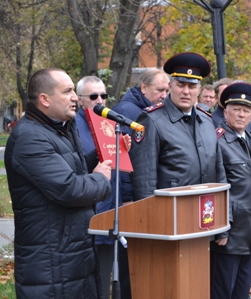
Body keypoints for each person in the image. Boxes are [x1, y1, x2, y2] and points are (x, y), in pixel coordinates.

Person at [4, 68, 113, 299]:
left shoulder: (59, 128)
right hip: (51, 262)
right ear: (44, 99)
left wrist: (103, 155)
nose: (75, 97)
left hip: (73, 254)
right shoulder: (29, 137)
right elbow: (69, 188)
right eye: (68, 91)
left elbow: (69, 166)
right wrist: (102, 179)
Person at [129, 52, 226, 201]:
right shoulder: (152, 120)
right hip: (170, 212)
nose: (186, 91)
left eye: (192, 86)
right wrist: (150, 219)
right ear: (170, 86)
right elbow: (144, 180)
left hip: (206, 213)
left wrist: (225, 213)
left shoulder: (206, 121)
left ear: (199, 90)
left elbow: (219, 171)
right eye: (181, 85)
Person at [111, 68, 170, 299]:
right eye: (159, 90)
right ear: (144, 88)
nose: (164, 94)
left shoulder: (152, 110)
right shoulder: (127, 112)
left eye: (167, 90)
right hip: (132, 199)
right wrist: (127, 197)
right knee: (132, 264)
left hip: (145, 194)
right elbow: (123, 159)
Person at [75, 76, 131, 299]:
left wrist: (124, 151)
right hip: (86, 213)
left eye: (104, 96)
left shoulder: (111, 124)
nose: (100, 100)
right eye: (93, 96)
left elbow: (120, 171)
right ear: (80, 100)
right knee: (87, 280)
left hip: (111, 210)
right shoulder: (73, 127)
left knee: (106, 276)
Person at [211, 82, 251, 299]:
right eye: (236, 109)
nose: (242, 115)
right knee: (222, 290)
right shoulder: (218, 141)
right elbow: (218, 189)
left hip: (250, 233)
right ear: (225, 111)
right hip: (229, 234)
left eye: (246, 110)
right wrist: (222, 230)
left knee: (242, 291)